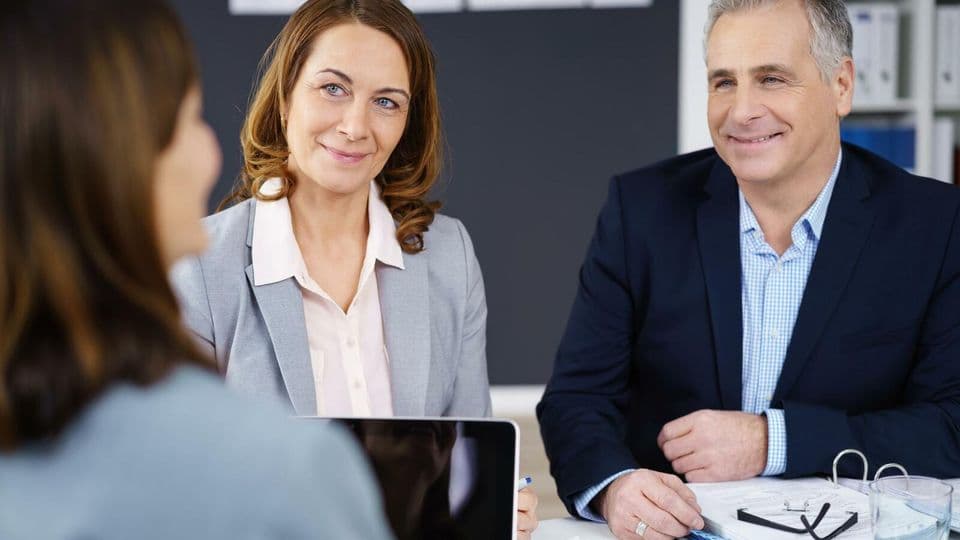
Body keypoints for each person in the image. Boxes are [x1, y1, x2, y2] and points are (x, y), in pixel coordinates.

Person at [537, 0, 960, 538]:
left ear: (841, 86)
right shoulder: (640, 209)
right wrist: (616, 486)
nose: (741, 111)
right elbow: (577, 399)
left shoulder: (938, 224)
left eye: (772, 78)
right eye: (724, 82)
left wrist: (773, 441)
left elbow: (951, 426)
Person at [0, 2, 392, 539]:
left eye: (386, 101)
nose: (211, 151)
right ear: (116, 165)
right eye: (188, 122)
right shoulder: (289, 477)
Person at [169, 0, 537, 535]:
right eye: (333, 88)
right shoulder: (198, 264)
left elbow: (468, 462)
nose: (355, 125)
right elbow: (176, 486)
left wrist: (494, 510)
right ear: (286, 96)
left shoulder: (449, 254)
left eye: (386, 102)